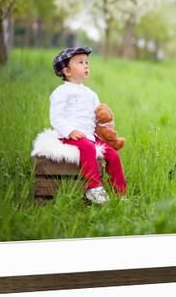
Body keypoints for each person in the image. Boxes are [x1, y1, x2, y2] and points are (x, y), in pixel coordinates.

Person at [50, 46, 127, 204]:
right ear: (67, 71)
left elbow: (98, 116)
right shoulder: (61, 92)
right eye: (80, 62)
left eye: (86, 62)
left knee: (113, 154)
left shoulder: (91, 94)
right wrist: (69, 131)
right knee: (87, 147)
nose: (86, 65)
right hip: (69, 136)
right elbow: (56, 117)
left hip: (91, 136)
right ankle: (93, 188)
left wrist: (106, 124)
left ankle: (121, 191)